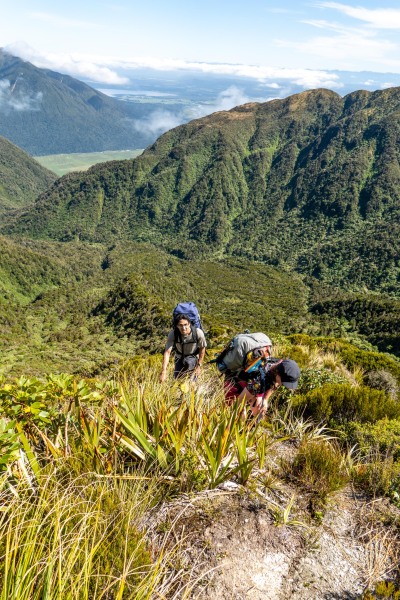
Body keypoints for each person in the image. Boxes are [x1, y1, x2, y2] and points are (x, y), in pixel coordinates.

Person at [224, 358, 301, 418]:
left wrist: (265, 400)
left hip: (250, 385)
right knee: (235, 411)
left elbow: (274, 384)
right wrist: (242, 412)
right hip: (233, 382)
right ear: (277, 374)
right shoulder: (258, 383)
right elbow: (238, 402)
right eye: (283, 382)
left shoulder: (278, 364)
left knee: (259, 405)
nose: (283, 384)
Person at [160, 314, 207, 382]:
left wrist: (199, 366)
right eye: (180, 325)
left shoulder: (198, 333)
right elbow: (167, 352)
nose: (183, 328)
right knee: (177, 381)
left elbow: (202, 349)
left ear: (189, 324)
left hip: (193, 357)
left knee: (192, 383)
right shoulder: (173, 334)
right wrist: (163, 371)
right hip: (179, 358)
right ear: (177, 326)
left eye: (185, 324)